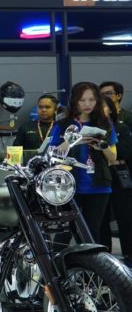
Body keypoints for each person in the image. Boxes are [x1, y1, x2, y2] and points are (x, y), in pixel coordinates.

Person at [49, 82, 117, 244]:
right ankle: (58, 259)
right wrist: (71, 142)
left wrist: (102, 146)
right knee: (65, 230)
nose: (87, 104)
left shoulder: (104, 123)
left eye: (92, 100)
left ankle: (89, 259)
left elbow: (113, 158)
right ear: (74, 101)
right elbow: (53, 155)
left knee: (92, 230)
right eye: (82, 100)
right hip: (69, 185)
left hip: (99, 185)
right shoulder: (63, 123)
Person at [100, 96, 132, 261]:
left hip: (119, 175)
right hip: (99, 175)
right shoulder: (89, 129)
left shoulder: (121, 127)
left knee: (125, 216)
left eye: (103, 106)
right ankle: (103, 257)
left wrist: (107, 150)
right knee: (101, 219)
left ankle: (129, 255)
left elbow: (125, 151)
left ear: (111, 110)